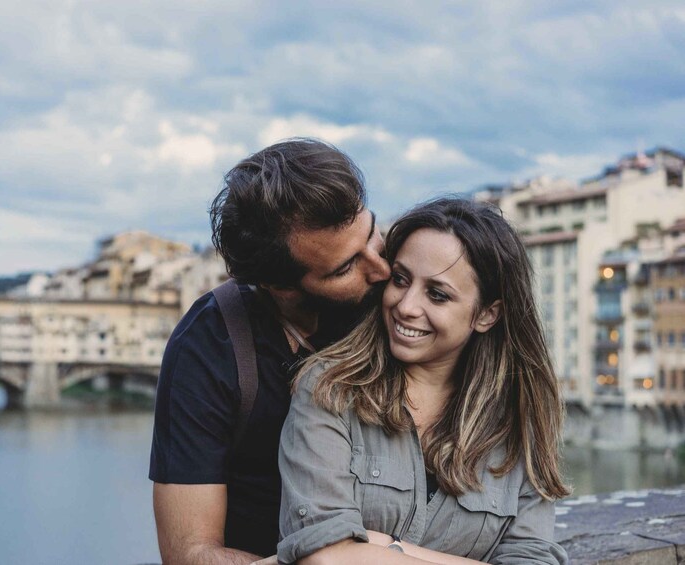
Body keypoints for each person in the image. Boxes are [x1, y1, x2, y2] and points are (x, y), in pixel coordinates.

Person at [278, 197, 571, 564]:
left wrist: (390, 548)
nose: (406, 306)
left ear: (486, 314)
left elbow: (534, 557)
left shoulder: (517, 424)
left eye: (437, 294)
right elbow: (325, 558)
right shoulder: (330, 390)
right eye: (400, 280)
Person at [149, 138, 391, 564]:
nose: (382, 269)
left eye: (374, 234)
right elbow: (189, 555)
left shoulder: (399, 303)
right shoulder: (208, 344)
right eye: (347, 267)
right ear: (280, 287)